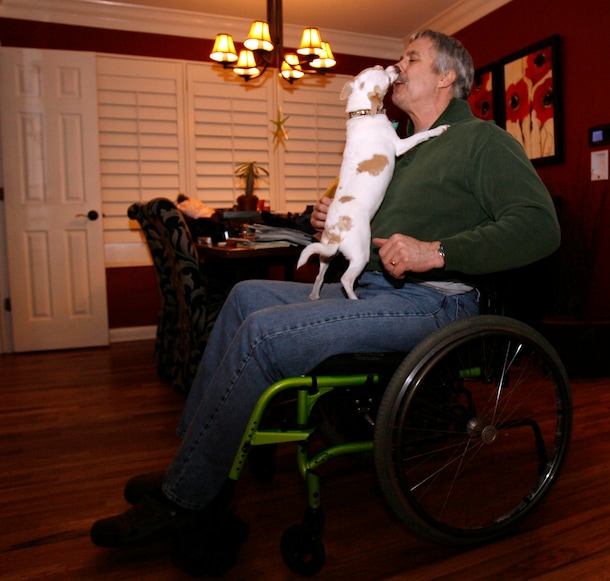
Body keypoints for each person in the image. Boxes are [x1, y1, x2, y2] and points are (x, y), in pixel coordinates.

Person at [91, 30, 560, 573]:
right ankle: (199, 466)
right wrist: (332, 219)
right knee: (244, 296)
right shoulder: (399, 146)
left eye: (411, 57)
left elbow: (539, 228)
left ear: (447, 76)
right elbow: (366, 224)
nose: (398, 65)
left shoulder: (484, 141)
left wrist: (437, 251)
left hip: (433, 302)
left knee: (265, 333)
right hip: (374, 286)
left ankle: (190, 497)